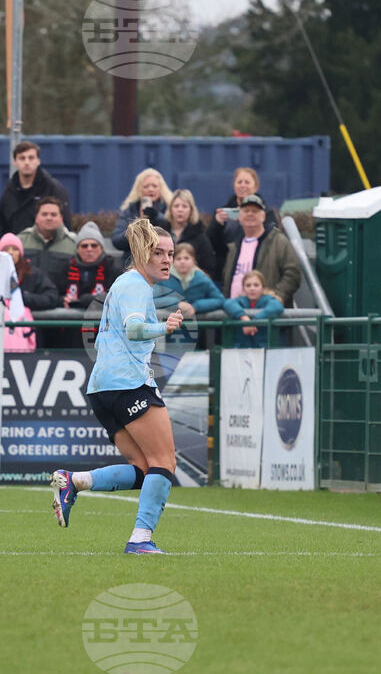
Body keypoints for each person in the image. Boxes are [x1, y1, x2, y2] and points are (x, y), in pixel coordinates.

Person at [49, 219, 186, 554]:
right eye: (158, 252)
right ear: (142, 253)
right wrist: (163, 328)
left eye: (170, 253)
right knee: (165, 462)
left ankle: (74, 482)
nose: (167, 259)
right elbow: (135, 329)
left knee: (144, 468)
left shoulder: (127, 284)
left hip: (103, 389)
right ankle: (140, 540)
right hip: (128, 384)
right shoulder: (135, 284)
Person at [218, 194, 301, 306]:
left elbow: (292, 273)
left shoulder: (279, 241)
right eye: (246, 210)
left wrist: (279, 296)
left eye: (255, 211)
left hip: (266, 316)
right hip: (236, 314)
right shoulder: (233, 247)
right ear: (239, 216)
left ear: (263, 216)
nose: (250, 214)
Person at [0, 233, 58, 351]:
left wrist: (23, 299)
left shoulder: (33, 273)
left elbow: (52, 297)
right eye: (6, 249)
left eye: (15, 249)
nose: (10, 253)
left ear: (21, 253)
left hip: (28, 338)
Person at [0, 140, 70, 236]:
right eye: (22, 158)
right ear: (15, 162)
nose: (27, 162)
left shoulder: (53, 189)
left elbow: (65, 225)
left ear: (38, 161)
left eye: (31, 158)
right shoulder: (8, 192)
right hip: (16, 249)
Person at [18, 197, 76, 295]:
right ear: (36, 217)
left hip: (62, 305)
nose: (49, 218)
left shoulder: (74, 244)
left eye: (53, 214)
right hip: (25, 302)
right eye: (44, 214)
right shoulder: (20, 241)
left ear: (61, 218)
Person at [213, 167, 280, 250]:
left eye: (247, 182)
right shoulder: (222, 213)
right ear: (234, 185)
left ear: (255, 187)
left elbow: (272, 241)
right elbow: (211, 245)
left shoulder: (267, 213)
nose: (242, 185)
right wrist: (216, 224)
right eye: (239, 182)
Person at [112, 169, 172, 253]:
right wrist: (138, 225)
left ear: (161, 189)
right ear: (139, 189)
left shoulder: (170, 209)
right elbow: (117, 242)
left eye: (154, 186)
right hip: (135, 260)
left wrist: (156, 216)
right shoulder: (130, 210)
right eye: (146, 186)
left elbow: (173, 234)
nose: (150, 189)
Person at [159, 243, 226, 318]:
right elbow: (153, 300)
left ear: (193, 260)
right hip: (170, 326)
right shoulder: (163, 278)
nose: (182, 262)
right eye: (178, 259)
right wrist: (176, 304)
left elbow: (219, 299)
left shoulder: (202, 279)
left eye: (186, 258)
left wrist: (196, 307)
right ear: (173, 261)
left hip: (197, 327)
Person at [222, 270, 285, 348]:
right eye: (248, 285)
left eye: (256, 285)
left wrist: (255, 321)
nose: (252, 289)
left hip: (264, 349)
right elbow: (228, 303)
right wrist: (244, 317)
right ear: (243, 288)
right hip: (242, 349)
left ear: (263, 287)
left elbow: (277, 306)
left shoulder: (269, 300)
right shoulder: (240, 300)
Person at [166, 189, 215, 278]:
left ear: (191, 210)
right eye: (176, 206)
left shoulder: (201, 238)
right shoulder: (161, 234)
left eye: (184, 206)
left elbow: (209, 272)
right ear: (170, 209)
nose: (180, 210)